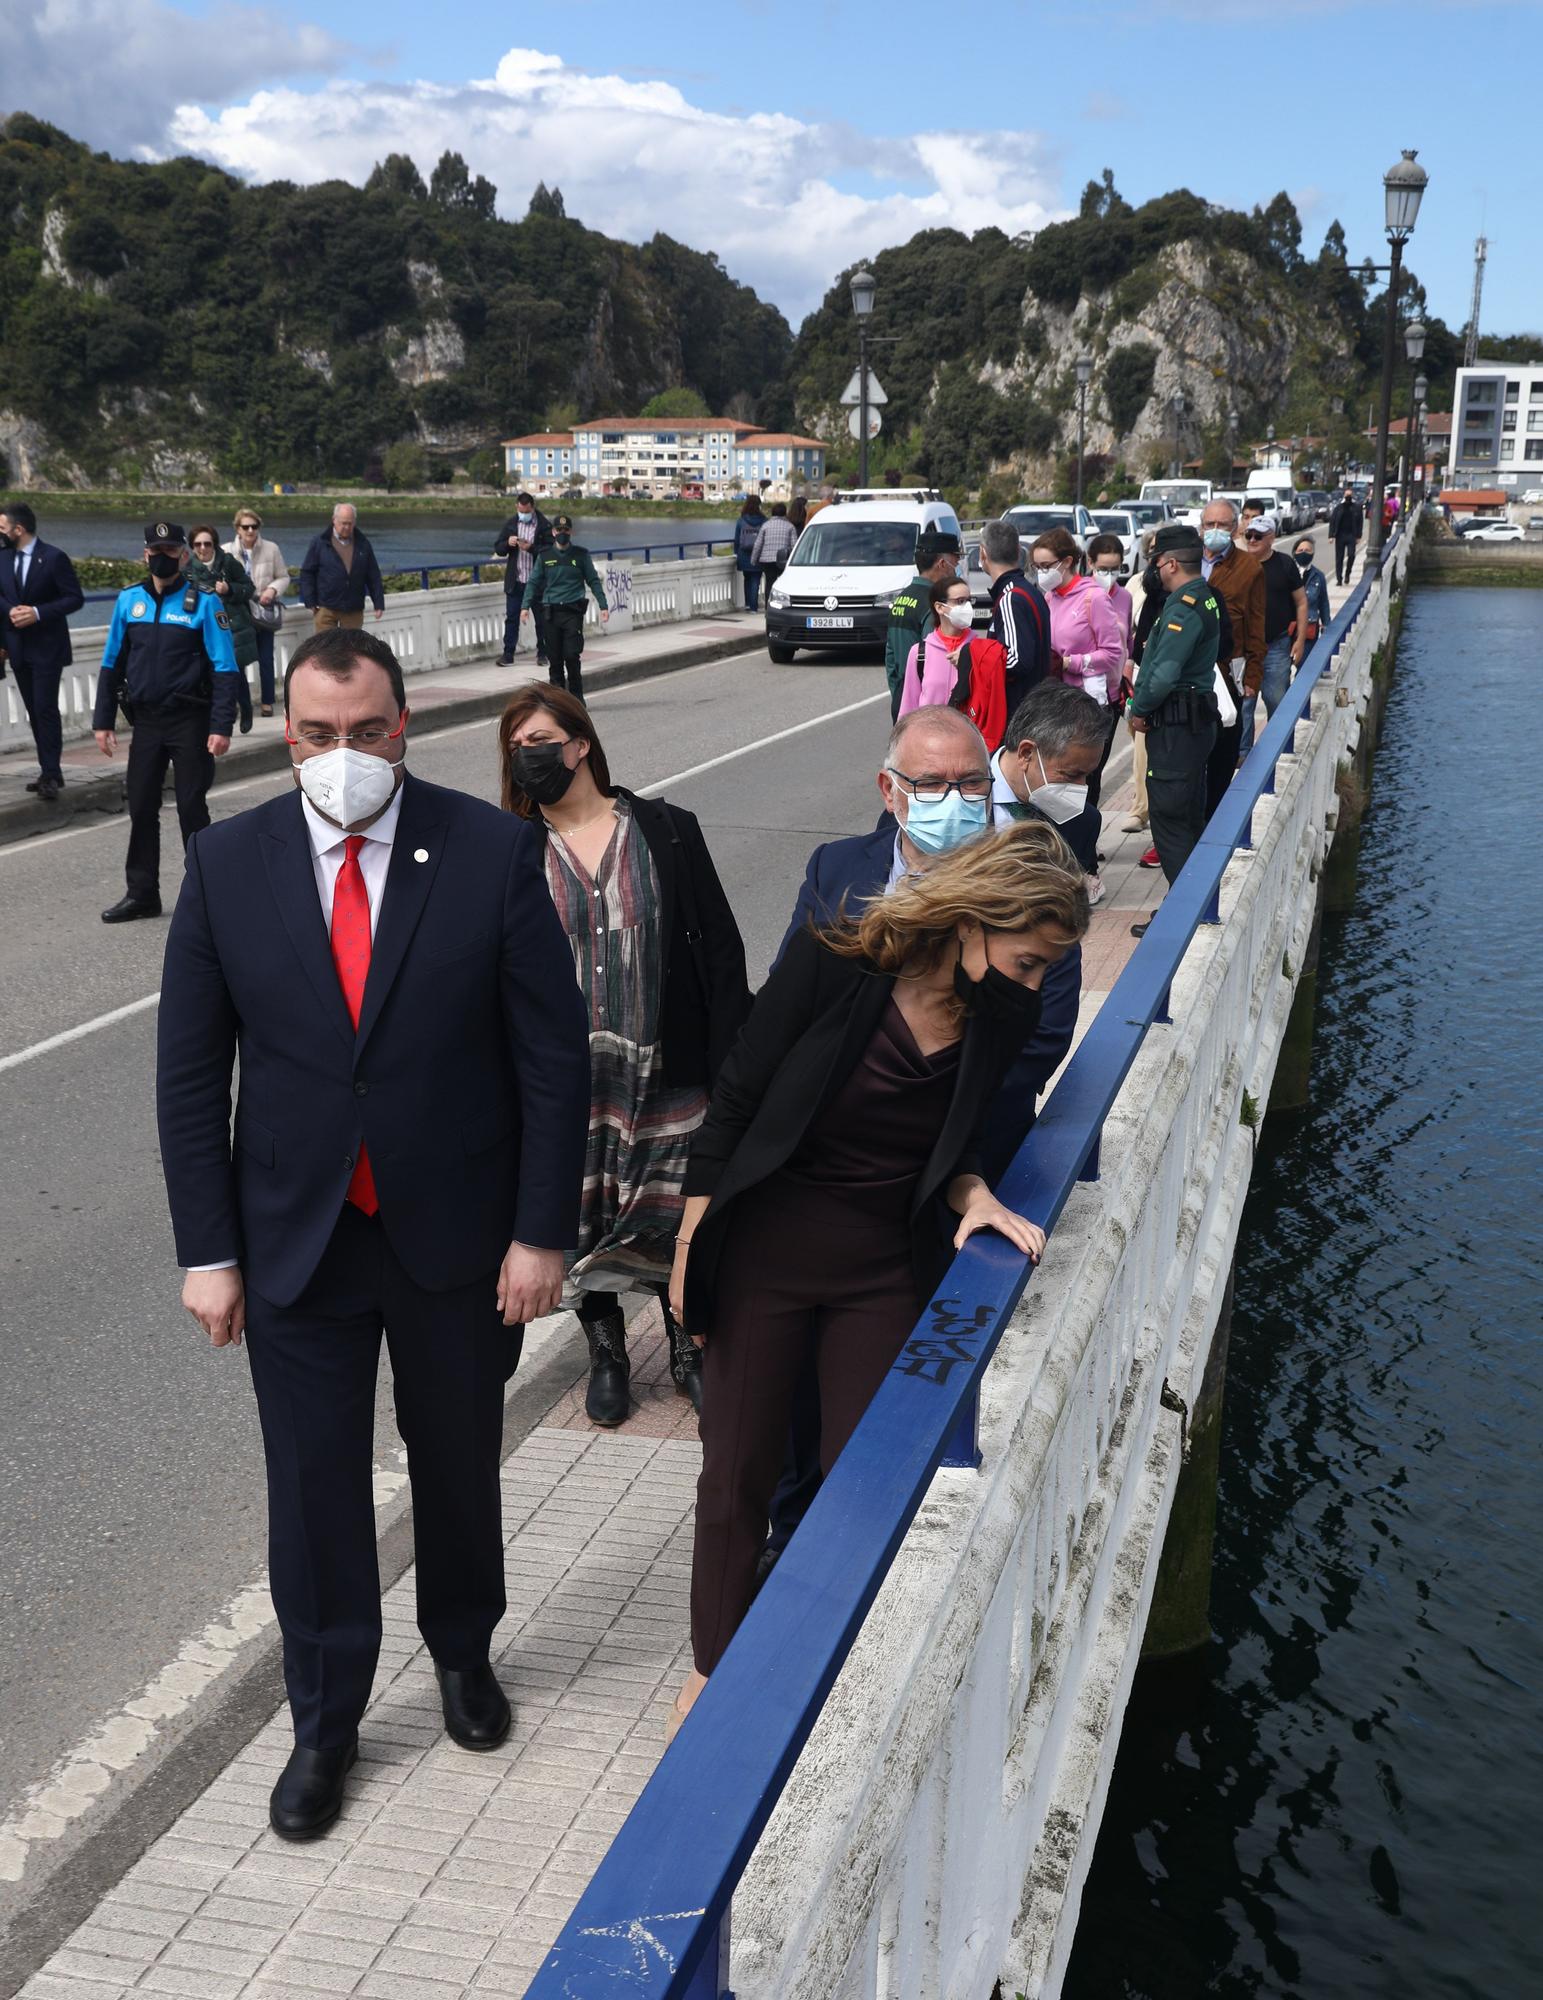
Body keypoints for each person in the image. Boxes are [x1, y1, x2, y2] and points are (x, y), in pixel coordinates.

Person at [157, 626, 591, 1840]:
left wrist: (539, 1232)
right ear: (283, 733)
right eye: (317, 735)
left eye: (367, 732)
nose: (342, 756)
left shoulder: (493, 849)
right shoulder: (226, 860)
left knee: (456, 1459)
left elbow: (551, 1061)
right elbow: (191, 1077)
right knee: (312, 1489)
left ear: (405, 725)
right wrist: (209, 1249)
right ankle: (325, 1718)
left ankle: (462, 1652)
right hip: (296, 1235)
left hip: (456, 1230)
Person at [670, 822, 1089, 1726]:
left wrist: (972, 1193)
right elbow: (737, 1096)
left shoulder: (1001, 1008)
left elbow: (964, 1136)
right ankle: (710, 1680)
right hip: (766, 1255)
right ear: (976, 919)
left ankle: (817, 1673)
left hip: (878, 1267)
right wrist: (688, 1248)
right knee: (735, 1474)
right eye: (1025, 961)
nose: (1033, 985)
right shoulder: (834, 963)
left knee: (859, 1481)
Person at [757, 704, 1087, 1572]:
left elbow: (1037, 1042)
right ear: (889, 792)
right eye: (931, 784)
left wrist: (945, 1153)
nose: (953, 798)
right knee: (798, 1383)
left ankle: (869, 1544)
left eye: (969, 783)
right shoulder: (840, 867)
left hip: (944, 1182)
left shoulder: (1032, 873)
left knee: (896, 1376)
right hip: (827, 1180)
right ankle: (790, 1538)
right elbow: (788, 1019)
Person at [498, 685, 750, 1425]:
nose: (531, 758)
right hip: (564, 1079)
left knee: (674, 1212)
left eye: (543, 740)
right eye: (518, 749)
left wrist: (733, 1064)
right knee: (582, 1216)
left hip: (664, 1063)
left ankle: (685, 1344)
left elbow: (721, 953)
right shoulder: (507, 852)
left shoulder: (667, 830)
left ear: (580, 744)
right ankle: (605, 1347)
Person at [92, 522, 241, 923]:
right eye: (156, 550)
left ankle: (207, 895)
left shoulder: (205, 602)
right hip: (147, 723)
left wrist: (221, 726)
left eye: (171, 550)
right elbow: (111, 665)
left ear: (183, 555)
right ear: (145, 554)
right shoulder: (129, 601)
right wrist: (102, 721)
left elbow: (225, 668)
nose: (163, 556)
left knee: (192, 807)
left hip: (191, 721)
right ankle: (142, 894)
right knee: (141, 807)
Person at [1127, 524, 1220, 935]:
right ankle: (1190, 903)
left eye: (1156, 563)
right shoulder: (1205, 597)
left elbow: (1163, 673)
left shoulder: (1182, 606)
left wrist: (1140, 708)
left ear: (1168, 563)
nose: (1154, 570)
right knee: (1188, 816)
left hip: (1177, 727)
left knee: (1169, 819)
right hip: (1193, 723)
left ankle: (1184, 913)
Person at [1026, 527, 1122, 906]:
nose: (1040, 572)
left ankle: (1088, 869)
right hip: (1055, 706)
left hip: (1089, 708)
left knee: (1082, 789)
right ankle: (1059, 863)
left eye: (1046, 565)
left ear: (1067, 562)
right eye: (1035, 566)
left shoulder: (1093, 598)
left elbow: (1113, 653)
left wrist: (1069, 661)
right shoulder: (1047, 597)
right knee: (1050, 787)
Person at [0, 502, 84, 802]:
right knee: (34, 711)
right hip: (18, 648)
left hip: (47, 647)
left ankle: (51, 772)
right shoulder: (3, 558)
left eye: (3, 527)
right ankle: (48, 769)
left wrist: (37, 612)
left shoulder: (53, 558)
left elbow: (74, 599)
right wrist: (12, 611)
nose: (1, 532)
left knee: (46, 709)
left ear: (18, 529)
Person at [1197, 496, 1261, 810]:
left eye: (1223, 525)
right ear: (1200, 528)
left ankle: (1214, 817)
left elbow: (1256, 625)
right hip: (1189, 670)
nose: (1216, 530)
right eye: (1210, 524)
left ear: (1235, 528)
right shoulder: (1187, 561)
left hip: (1229, 670)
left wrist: (1253, 676)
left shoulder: (1248, 568)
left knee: (1224, 749)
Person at [897, 575, 1008, 749]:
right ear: (940, 607)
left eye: (969, 600)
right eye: (960, 601)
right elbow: (908, 707)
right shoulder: (920, 653)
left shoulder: (980, 650)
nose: (967, 607)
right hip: (929, 745)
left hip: (968, 745)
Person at [1237, 513, 1307, 757]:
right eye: (1249, 535)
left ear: (1271, 538)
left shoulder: (1285, 565)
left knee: (1275, 699)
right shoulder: (1239, 566)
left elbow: (1300, 602)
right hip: (1245, 648)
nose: (1252, 540)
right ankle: (1243, 755)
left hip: (1276, 644)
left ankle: (1279, 750)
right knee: (1245, 702)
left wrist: (1298, 641)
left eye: (1258, 536)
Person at [523, 514, 609, 701]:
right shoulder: (545, 557)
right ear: (553, 532)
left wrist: (603, 605)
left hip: (572, 612)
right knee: (555, 660)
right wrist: (525, 606)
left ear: (571, 532)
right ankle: (559, 701)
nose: (562, 533)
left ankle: (577, 699)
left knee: (571, 656)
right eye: (559, 530)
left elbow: (593, 580)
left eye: (566, 530)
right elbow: (533, 582)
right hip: (551, 613)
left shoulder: (581, 555)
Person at [884, 528, 962, 722]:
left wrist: (901, 696)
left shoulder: (902, 598)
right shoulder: (935, 605)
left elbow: (890, 659)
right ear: (942, 563)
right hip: (926, 706)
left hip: (904, 696)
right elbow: (937, 659)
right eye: (956, 560)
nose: (958, 565)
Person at [188, 525, 257, 735]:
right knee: (210, 674)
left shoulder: (227, 563)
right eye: (197, 544)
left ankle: (246, 708)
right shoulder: (188, 569)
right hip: (206, 628)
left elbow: (248, 587)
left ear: (214, 544)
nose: (202, 548)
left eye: (207, 543)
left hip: (233, 625)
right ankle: (223, 713)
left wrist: (230, 590)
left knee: (235, 671)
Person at [980, 519, 1051, 715]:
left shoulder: (1011, 597)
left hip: (1018, 713)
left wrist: (972, 657)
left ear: (982, 553)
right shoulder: (1027, 590)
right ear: (1018, 550)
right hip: (1033, 708)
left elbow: (1016, 660)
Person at [225, 510, 290, 717]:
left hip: (263, 610)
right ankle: (241, 704)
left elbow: (283, 577)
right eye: (245, 527)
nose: (250, 530)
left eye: (254, 526)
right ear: (238, 529)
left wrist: (272, 590)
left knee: (265, 657)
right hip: (238, 613)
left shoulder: (271, 549)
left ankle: (267, 701)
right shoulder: (226, 551)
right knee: (238, 659)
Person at [298, 505, 385, 632]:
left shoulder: (363, 544)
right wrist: (310, 600)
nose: (347, 527)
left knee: (351, 648)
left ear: (354, 522)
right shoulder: (320, 542)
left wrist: (378, 603)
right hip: (326, 607)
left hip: (353, 608)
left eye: (350, 524)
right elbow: (307, 573)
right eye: (343, 523)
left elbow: (373, 575)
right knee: (326, 648)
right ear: (334, 520)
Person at [493, 492, 552, 666]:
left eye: (525, 511)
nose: (522, 514)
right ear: (516, 507)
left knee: (542, 620)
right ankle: (508, 654)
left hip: (537, 583)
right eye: (520, 510)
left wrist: (532, 548)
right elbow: (498, 548)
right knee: (512, 618)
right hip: (516, 581)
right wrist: (507, 543)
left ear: (532, 508)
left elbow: (550, 551)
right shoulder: (511, 524)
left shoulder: (544, 525)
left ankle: (543, 654)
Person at [749, 501, 797, 606]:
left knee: (769, 583)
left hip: (767, 560)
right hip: (783, 560)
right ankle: (782, 605)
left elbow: (758, 544)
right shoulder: (790, 526)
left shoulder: (766, 525)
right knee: (783, 584)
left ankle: (768, 607)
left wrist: (753, 560)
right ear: (785, 513)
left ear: (772, 513)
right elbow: (794, 546)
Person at [1292, 533, 1331, 654]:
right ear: (1295, 552)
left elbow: (1323, 602)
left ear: (1313, 553)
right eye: (1301, 550)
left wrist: (1326, 624)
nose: (1304, 552)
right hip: (1287, 629)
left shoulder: (1318, 576)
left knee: (1304, 664)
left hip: (1309, 628)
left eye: (1308, 550)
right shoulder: (1288, 571)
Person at [733, 495, 766, 611]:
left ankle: (748, 604)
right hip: (759, 555)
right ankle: (753, 607)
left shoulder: (741, 520)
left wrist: (736, 553)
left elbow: (737, 539)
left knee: (747, 579)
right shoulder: (764, 521)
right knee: (756, 580)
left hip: (744, 554)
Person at [1329, 484, 1364, 586]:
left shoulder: (1356, 508)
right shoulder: (1338, 508)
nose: (1348, 497)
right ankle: (1339, 578)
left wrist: (1359, 536)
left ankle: (1348, 573)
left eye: (1349, 495)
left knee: (1351, 555)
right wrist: (1331, 535)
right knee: (1339, 558)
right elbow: (1333, 521)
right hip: (1340, 535)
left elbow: (1360, 522)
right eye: (1346, 495)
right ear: (1344, 496)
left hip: (1351, 535)